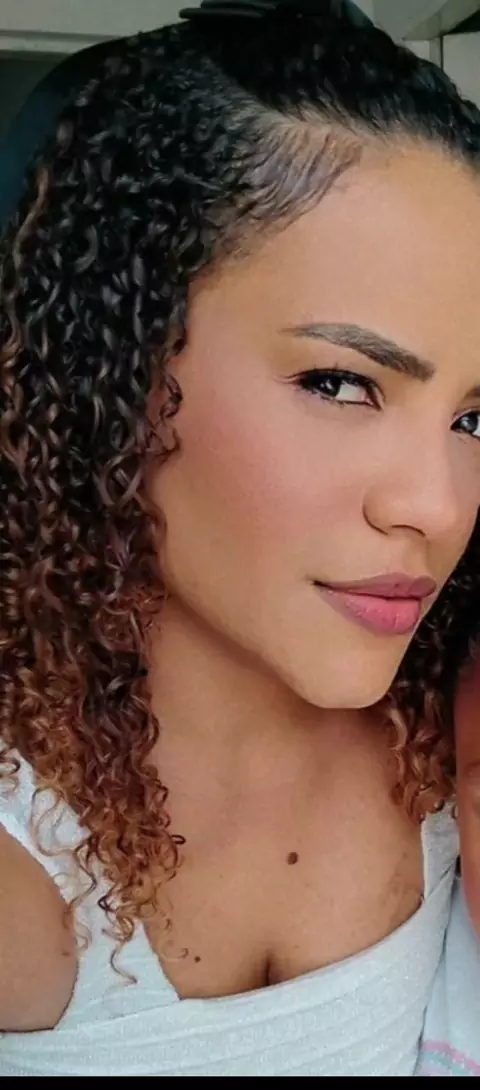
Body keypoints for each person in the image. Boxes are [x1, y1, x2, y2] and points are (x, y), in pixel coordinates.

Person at [0, 0, 480, 1077]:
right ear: (110, 369)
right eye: (341, 383)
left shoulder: (455, 731)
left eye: (475, 419)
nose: (439, 506)